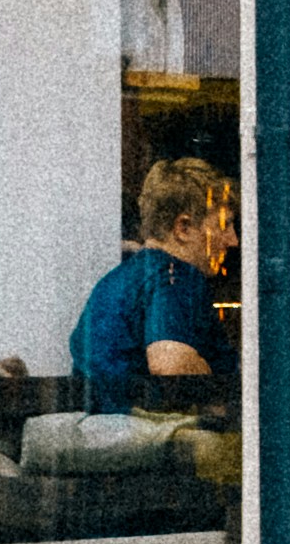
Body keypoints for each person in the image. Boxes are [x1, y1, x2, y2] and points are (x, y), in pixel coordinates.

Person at [70, 153, 235, 410]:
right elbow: (170, 363)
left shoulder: (117, 280)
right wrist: (217, 393)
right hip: (141, 431)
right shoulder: (174, 275)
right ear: (184, 228)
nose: (233, 240)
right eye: (225, 225)